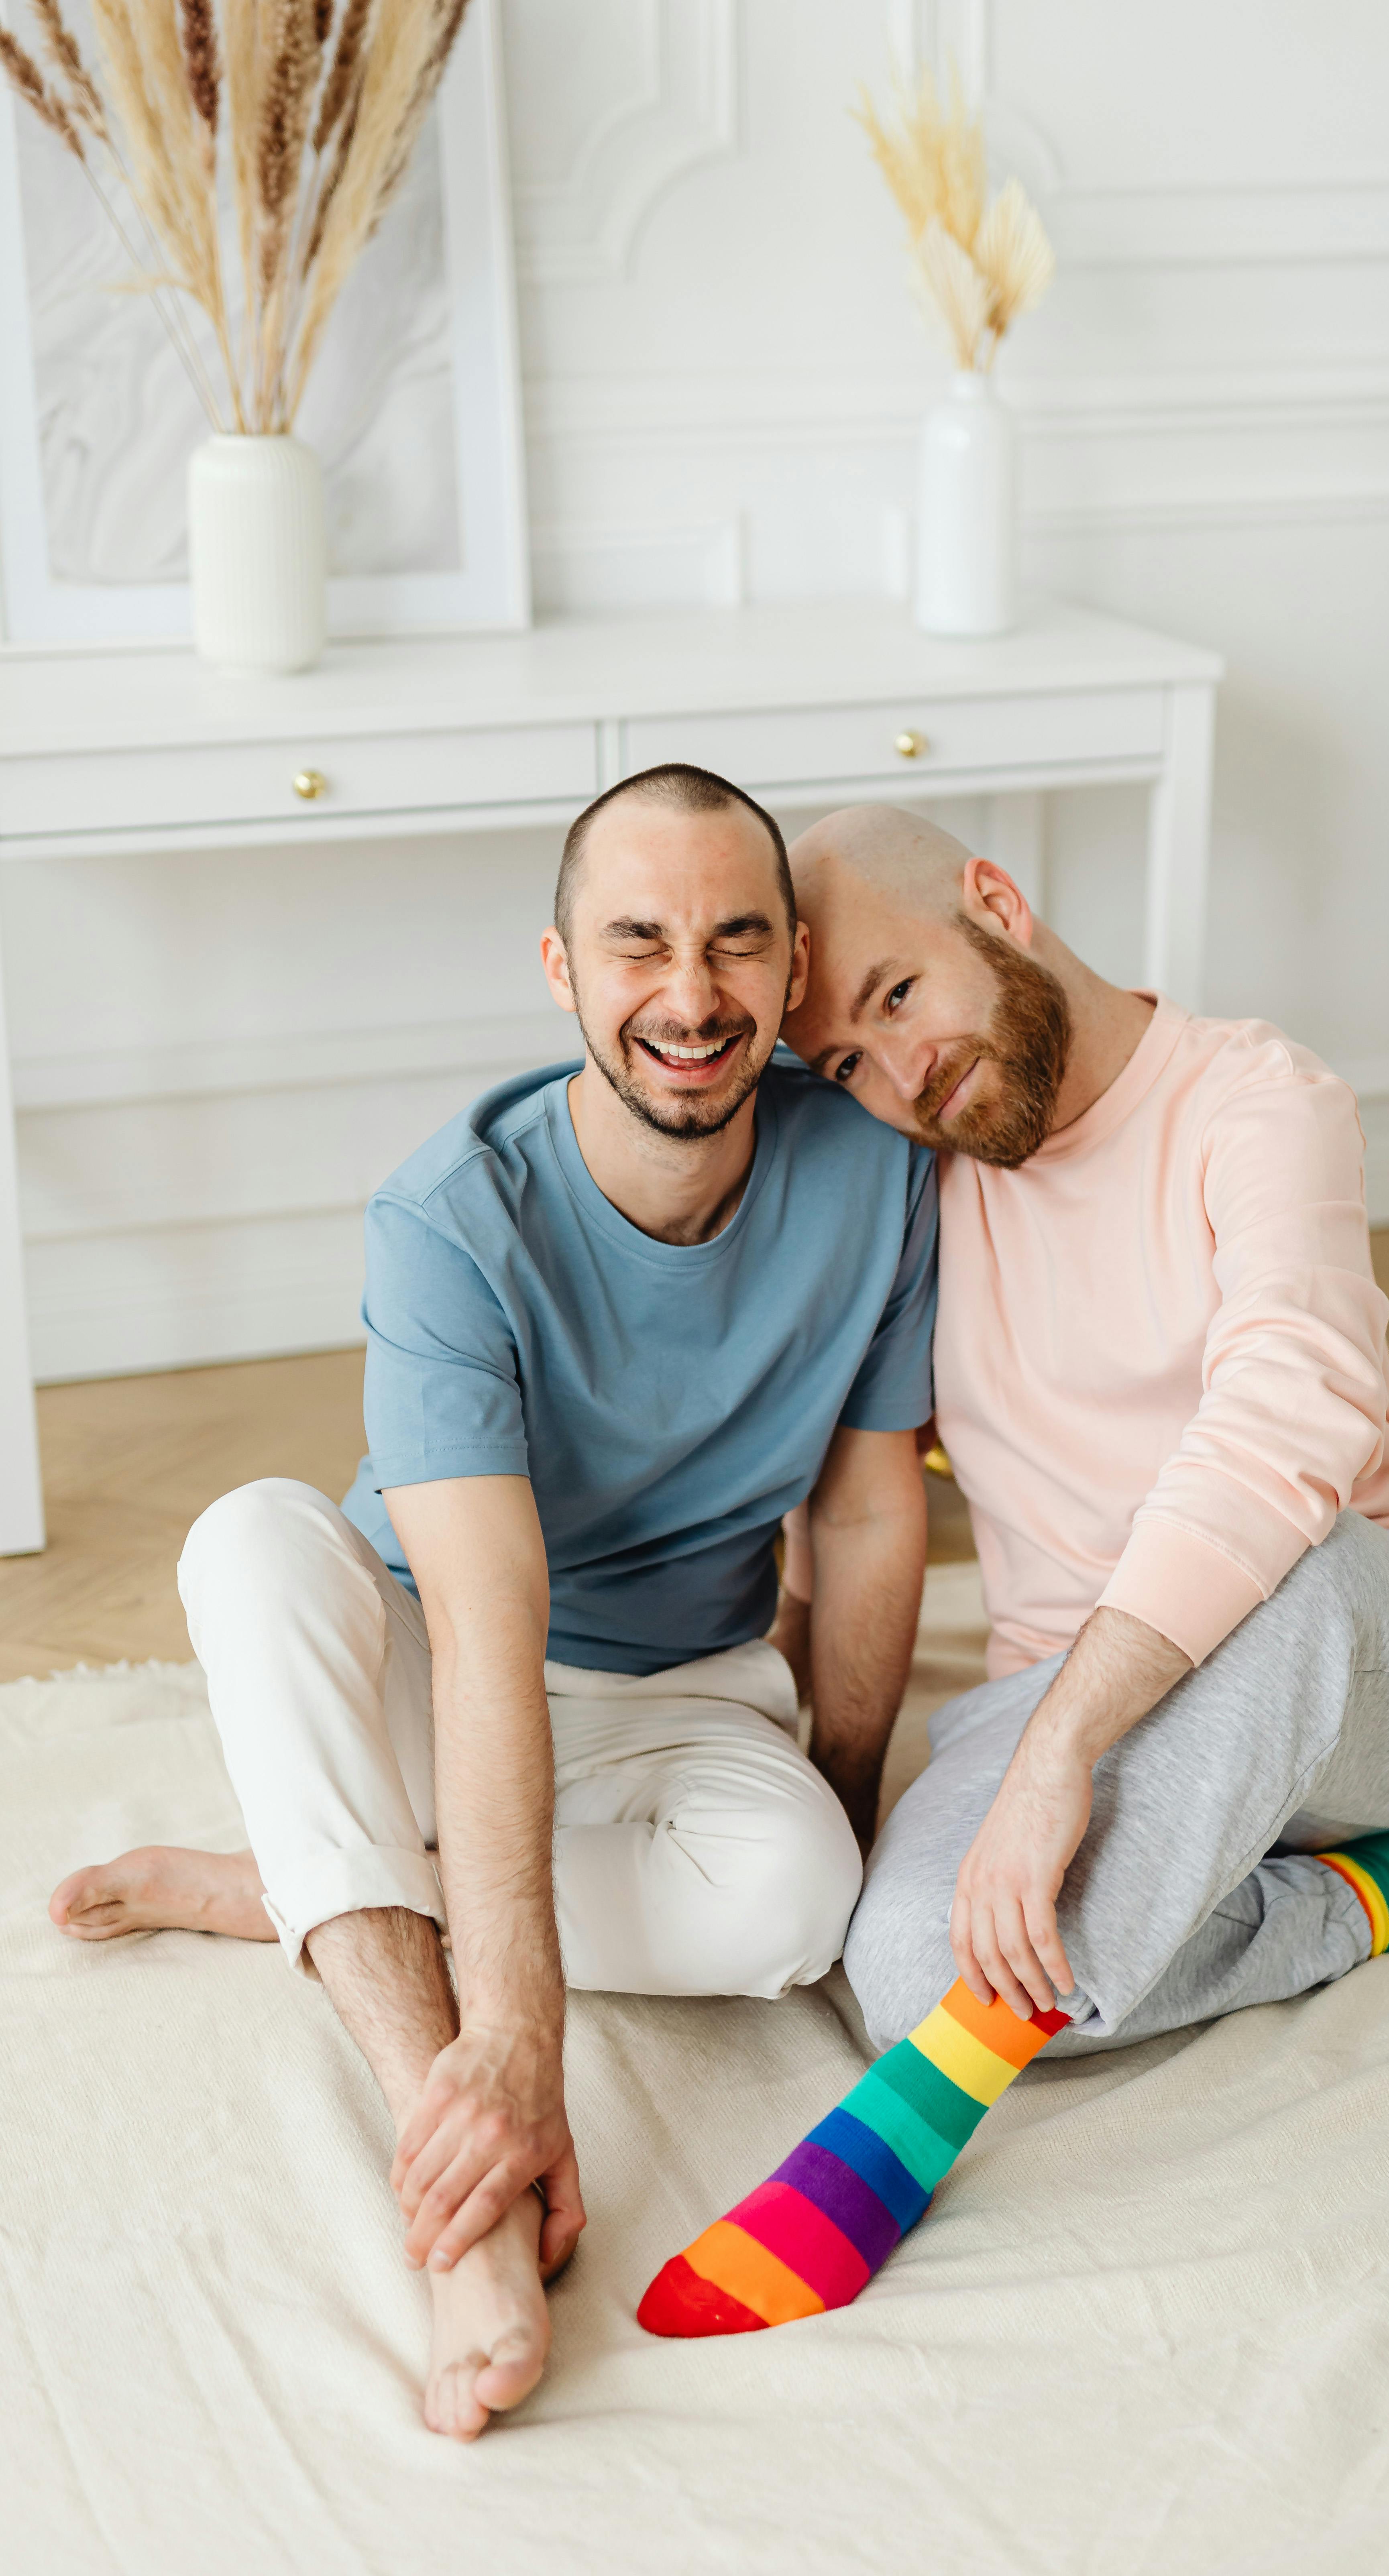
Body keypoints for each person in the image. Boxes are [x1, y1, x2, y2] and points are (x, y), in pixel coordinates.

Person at [623, 799, 1389, 2339]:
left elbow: (1279, 1422)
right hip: (1071, 1691)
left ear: (995, 900)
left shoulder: (1259, 1099)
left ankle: (909, 2133)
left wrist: (1063, 1756)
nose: (899, 1077)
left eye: (901, 996)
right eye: (845, 1060)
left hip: (1367, 1647)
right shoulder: (918, 1181)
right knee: (907, 1968)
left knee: (1292, 1564)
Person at [48, 766, 937, 2437]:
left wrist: (851, 1800)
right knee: (249, 1538)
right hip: (440, 1661)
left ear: (794, 963)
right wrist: (516, 2048)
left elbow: (875, 1516)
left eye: (736, 944)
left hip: (690, 1684)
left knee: (799, 1899)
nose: (690, 996)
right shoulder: (447, 1217)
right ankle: (445, 2158)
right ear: (560, 971)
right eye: (638, 946)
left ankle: (302, 1886)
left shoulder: (874, 1177)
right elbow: (484, 1632)